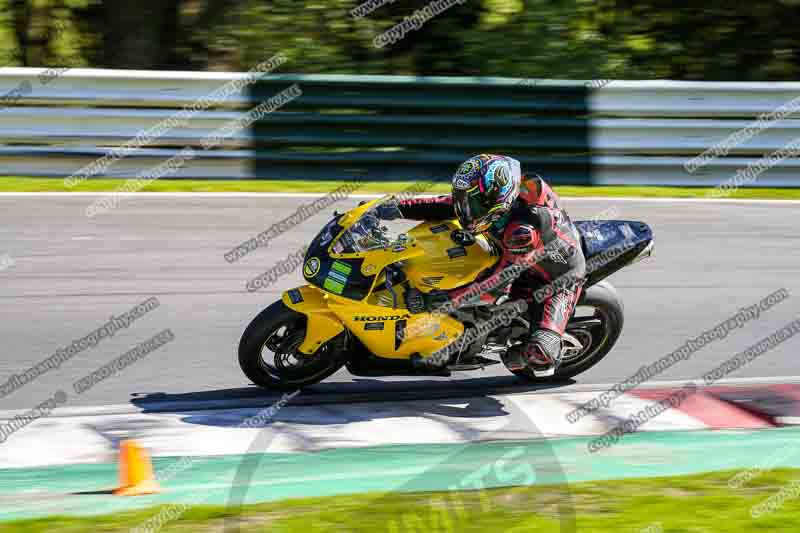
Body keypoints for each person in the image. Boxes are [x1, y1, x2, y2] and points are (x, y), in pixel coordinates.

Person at [388, 154, 586, 377]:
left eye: (472, 201)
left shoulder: (520, 230)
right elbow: (445, 205)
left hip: (557, 278)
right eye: (464, 197)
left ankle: (546, 351)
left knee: (539, 355)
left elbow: (495, 286)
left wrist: (438, 300)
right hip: (518, 253)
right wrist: (395, 208)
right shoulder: (498, 203)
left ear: (498, 200)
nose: (464, 206)